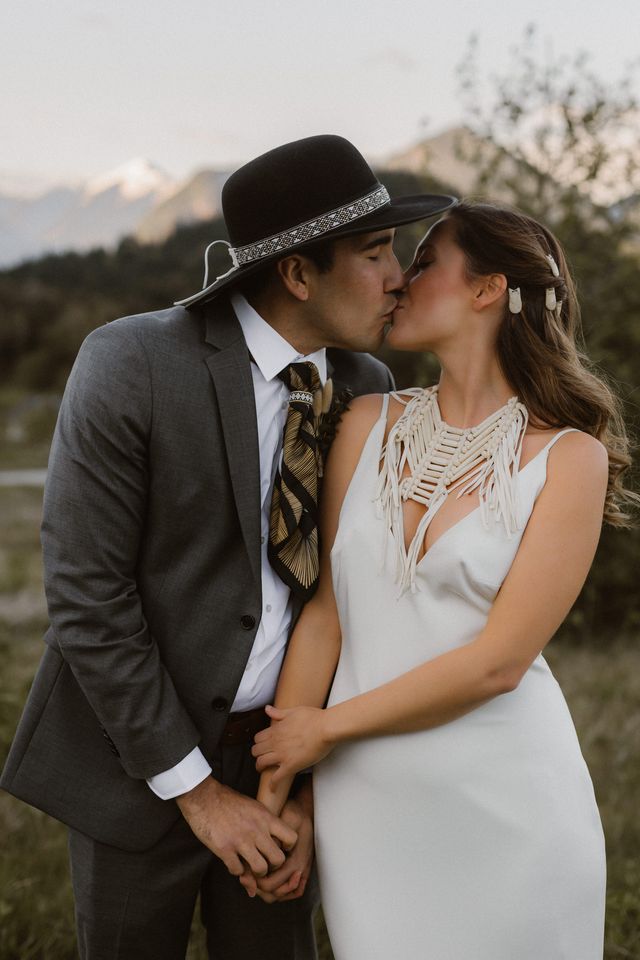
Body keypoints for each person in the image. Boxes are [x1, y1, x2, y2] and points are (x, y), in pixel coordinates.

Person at [0, 134, 456, 959]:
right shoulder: (130, 362)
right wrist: (201, 796)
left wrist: (310, 791)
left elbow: (356, 600)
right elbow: (86, 597)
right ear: (296, 273)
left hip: (286, 760)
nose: (399, 277)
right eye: (375, 250)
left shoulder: (369, 388)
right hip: (138, 761)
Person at [251, 200, 637, 959]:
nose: (399, 281)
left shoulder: (570, 459)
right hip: (367, 814)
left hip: (508, 810)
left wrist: (324, 729)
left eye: (425, 263)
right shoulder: (366, 420)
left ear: (488, 289)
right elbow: (327, 614)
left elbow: (500, 663)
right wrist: (282, 801)